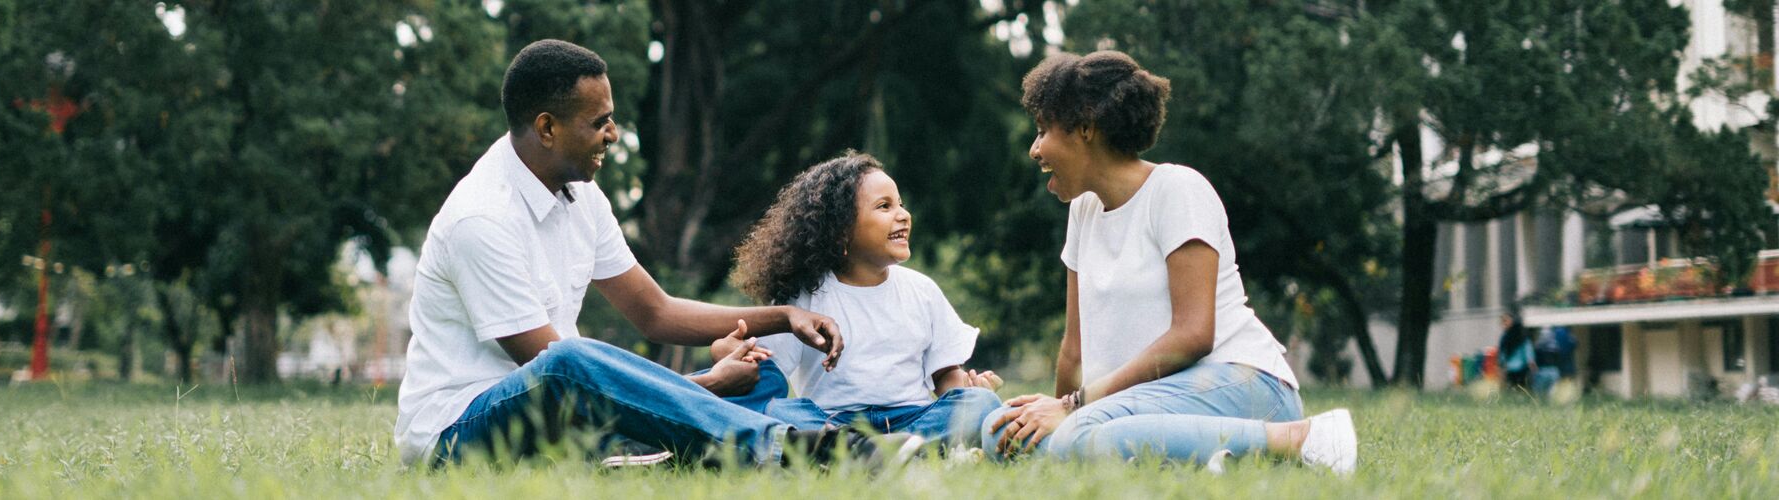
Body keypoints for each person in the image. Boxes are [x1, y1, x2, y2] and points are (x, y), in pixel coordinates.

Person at [393, 39, 923, 469]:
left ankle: (661, 453)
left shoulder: (582, 196)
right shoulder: (481, 218)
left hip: (558, 412)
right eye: (598, 121)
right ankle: (790, 446)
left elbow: (656, 312)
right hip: (458, 432)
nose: (613, 134)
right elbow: (553, 371)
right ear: (547, 128)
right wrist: (700, 386)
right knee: (568, 357)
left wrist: (783, 318)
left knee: (755, 379)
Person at [982, 50, 1358, 475]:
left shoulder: (1177, 190)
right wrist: (1052, 414)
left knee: (1080, 435)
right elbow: (1074, 350)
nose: (1035, 149)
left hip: (1239, 382)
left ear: (1085, 127)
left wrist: (1074, 408)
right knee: (1000, 434)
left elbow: (1193, 335)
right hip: (1143, 401)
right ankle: (1207, 457)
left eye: (1041, 130)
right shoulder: (1083, 211)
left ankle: (1302, 438)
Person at [720, 152, 1006, 447]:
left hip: (913, 418)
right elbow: (766, 371)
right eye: (884, 206)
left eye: (901, 204)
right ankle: (870, 449)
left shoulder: (923, 290)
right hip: (831, 423)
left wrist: (968, 392)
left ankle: (896, 447)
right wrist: (731, 350)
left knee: (981, 404)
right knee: (780, 410)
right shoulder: (803, 298)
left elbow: (946, 374)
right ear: (841, 232)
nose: (903, 215)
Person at [1497, 309, 1535, 391]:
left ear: (1512, 320)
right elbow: (1502, 353)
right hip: (1510, 369)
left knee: (1523, 389)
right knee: (1513, 390)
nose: (1504, 324)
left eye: (1506, 321)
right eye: (1502, 322)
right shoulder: (1505, 337)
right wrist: (1501, 367)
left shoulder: (1520, 334)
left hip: (1522, 369)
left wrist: (1530, 362)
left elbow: (1527, 348)